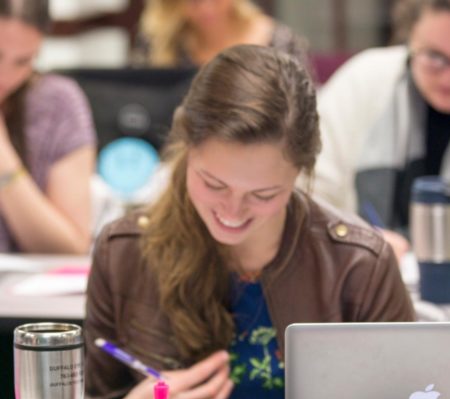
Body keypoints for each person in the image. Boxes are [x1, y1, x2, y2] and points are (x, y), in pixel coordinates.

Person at [84, 45, 415, 399]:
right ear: (186, 150)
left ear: (300, 174)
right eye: (213, 183)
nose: (232, 212)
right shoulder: (122, 253)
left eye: (263, 194)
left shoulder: (360, 265)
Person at [311, 0, 450, 261]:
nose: (447, 78)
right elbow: (308, 191)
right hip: (360, 270)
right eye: (435, 57)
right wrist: (352, 236)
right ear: (409, 39)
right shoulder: (364, 82)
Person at [0, 0, 96, 253]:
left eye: (23, 61)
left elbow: (70, 248)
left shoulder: (57, 103)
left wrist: (4, 160)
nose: (5, 76)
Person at [131, 0, 307, 68]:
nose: (206, 7)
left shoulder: (280, 42)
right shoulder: (159, 43)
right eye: (194, 2)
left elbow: (303, 119)